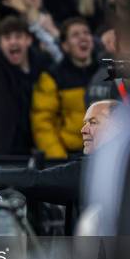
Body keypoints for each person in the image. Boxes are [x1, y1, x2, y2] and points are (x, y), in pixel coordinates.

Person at [0, 99, 120, 233]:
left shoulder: (109, 168)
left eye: (93, 123)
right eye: (84, 123)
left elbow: (38, 181)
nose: (83, 130)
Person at [0, 16, 51, 154]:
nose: (13, 42)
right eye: (7, 38)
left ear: (28, 40)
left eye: (18, 36)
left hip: (39, 147)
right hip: (5, 150)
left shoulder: (43, 65)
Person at [31, 17, 97, 159]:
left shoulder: (107, 72)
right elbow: (43, 123)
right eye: (75, 35)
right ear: (65, 45)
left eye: (86, 33)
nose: (82, 38)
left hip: (106, 155)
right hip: (71, 156)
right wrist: (59, 160)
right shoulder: (52, 77)